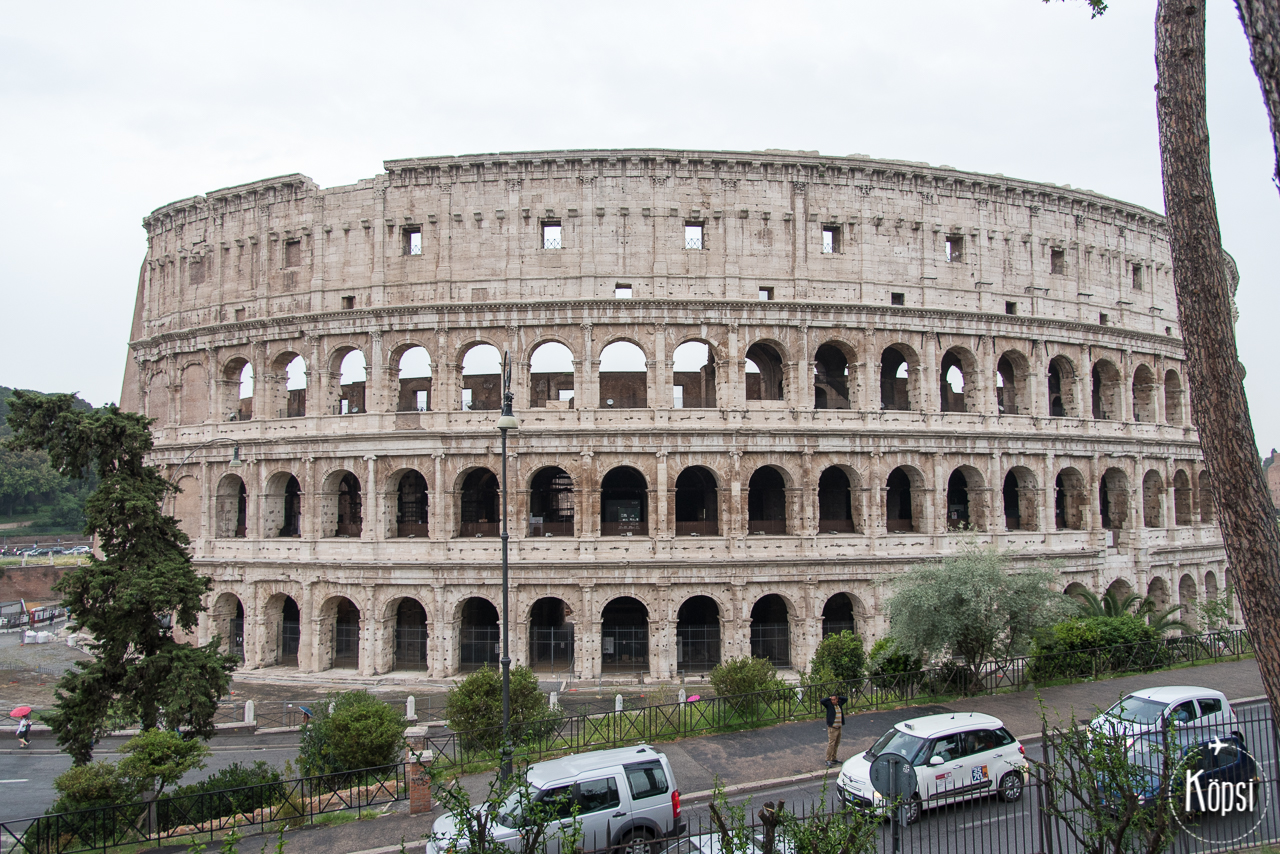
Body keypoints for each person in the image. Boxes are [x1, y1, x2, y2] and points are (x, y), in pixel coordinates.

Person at [820, 694, 848, 768]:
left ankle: (834, 758)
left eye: (834, 700)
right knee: (831, 744)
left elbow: (846, 699)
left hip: (839, 727)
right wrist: (829, 698)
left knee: (837, 743)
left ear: (837, 699)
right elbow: (822, 701)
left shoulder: (839, 704)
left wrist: (839, 697)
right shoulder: (829, 705)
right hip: (833, 728)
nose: (833, 701)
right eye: (832, 700)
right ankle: (827, 759)